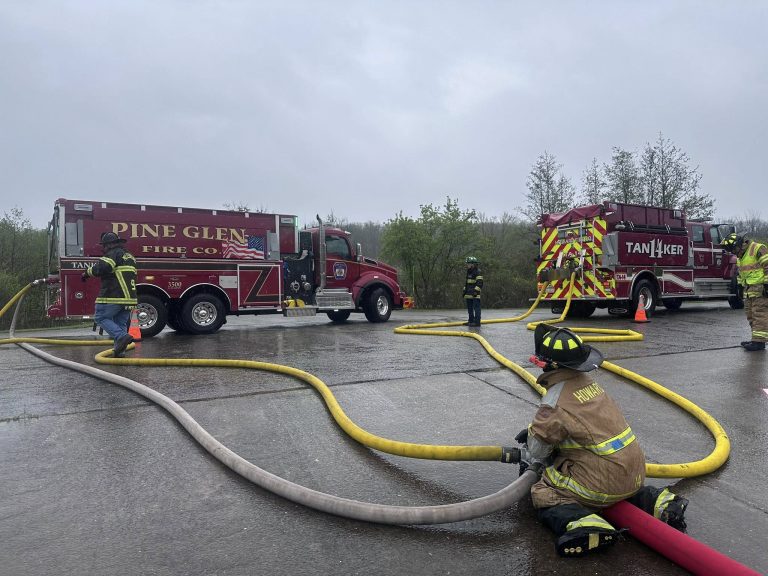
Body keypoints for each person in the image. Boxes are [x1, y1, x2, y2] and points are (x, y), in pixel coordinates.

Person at [518, 323, 688, 558]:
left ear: (547, 365)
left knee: (544, 491)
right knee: (620, 485)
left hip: (601, 483)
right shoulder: (591, 385)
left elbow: (537, 451)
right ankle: (661, 503)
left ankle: (587, 526)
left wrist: (532, 433)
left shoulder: (554, 402)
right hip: (635, 471)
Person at [81, 232, 138, 357]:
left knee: (100, 317)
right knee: (120, 323)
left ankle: (122, 337)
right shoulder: (129, 256)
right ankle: (120, 351)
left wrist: (86, 273)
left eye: (104, 246)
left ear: (109, 245)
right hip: (129, 298)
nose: (103, 249)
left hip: (114, 295)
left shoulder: (113, 253)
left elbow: (102, 267)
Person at [721, 232, 768, 351]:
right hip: (749, 290)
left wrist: (767, 285)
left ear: (739, 245)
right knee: (751, 315)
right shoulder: (740, 257)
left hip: (761, 289)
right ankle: (756, 339)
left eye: (733, 249)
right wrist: (740, 288)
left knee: (759, 315)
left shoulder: (758, 248)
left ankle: (759, 342)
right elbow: (741, 274)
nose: (733, 252)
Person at [463, 256, 483, 326]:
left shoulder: (478, 272)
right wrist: (464, 290)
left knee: (476, 308)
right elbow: (467, 283)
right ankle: (471, 321)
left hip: (475, 294)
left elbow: (480, 283)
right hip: (468, 294)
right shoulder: (469, 272)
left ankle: (477, 322)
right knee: (470, 309)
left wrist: (475, 291)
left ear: (472, 264)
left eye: (468, 264)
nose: (466, 265)